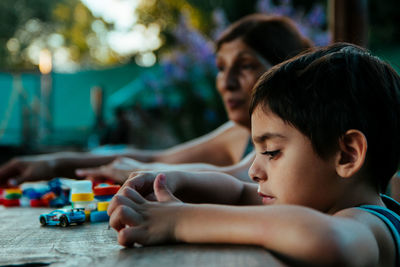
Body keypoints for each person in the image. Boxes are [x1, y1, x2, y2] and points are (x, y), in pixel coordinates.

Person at [107, 43, 400, 266]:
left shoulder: (372, 225)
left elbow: (327, 239)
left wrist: (180, 221)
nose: (253, 170)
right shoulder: (320, 204)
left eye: (272, 152)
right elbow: (236, 192)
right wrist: (170, 181)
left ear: (347, 155)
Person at [0, 14, 312, 186]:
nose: (226, 83)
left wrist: (144, 177)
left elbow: (233, 178)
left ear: (282, 69)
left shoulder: (300, 133)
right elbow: (155, 157)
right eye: (220, 68)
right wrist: (54, 163)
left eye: (244, 66)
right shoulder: (238, 133)